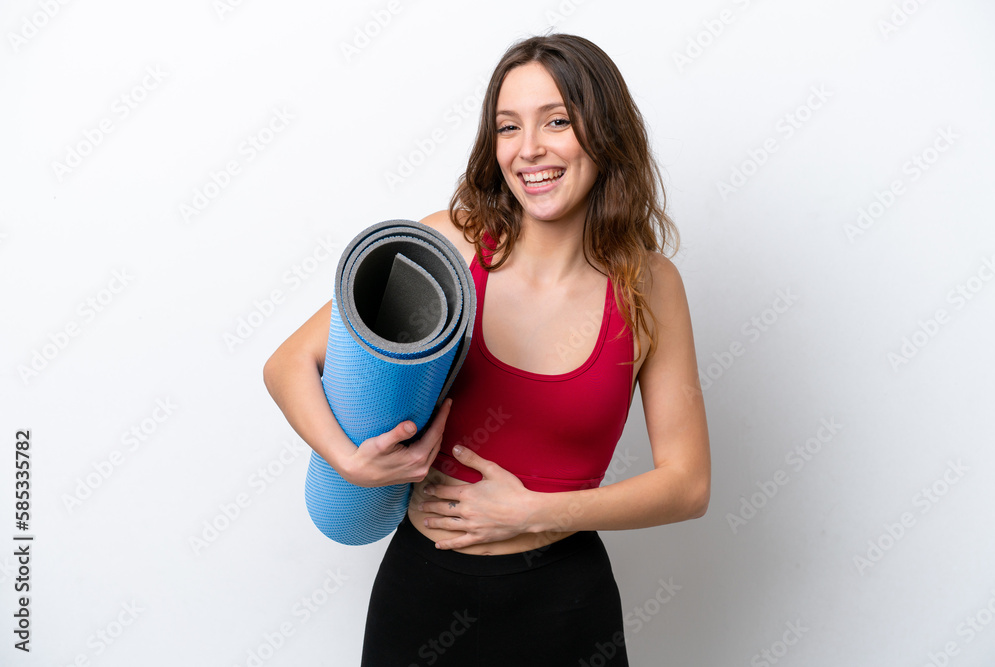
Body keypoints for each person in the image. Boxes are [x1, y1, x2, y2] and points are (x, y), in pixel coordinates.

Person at [263, 32, 710, 667]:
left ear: (604, 133)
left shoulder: (649, 287)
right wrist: (351, 462)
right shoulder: (448, 247)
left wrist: (534, 511)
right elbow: (288, 364)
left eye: (556, 121)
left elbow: (688, 485)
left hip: (567, 608)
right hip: (423, 596)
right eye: (508, 127)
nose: (530, 149)